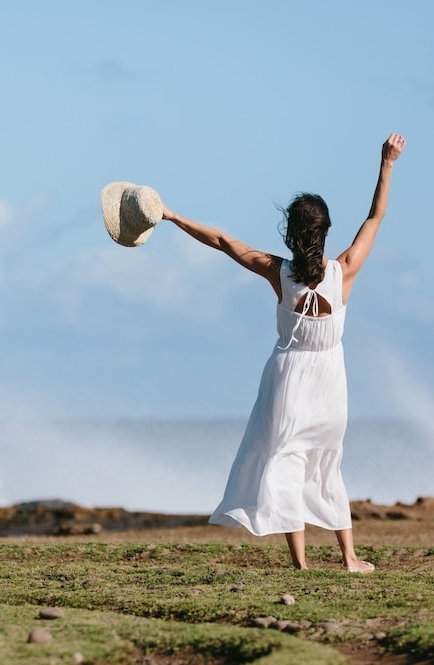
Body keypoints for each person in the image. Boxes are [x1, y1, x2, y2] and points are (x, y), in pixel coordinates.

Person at [160, 133, 406, 572]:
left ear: (291, 235)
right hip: (331, 378)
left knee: (288, 464)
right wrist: (387, 164)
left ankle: (302, 565)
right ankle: (349, 557)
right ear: (326, 232)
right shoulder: (344, 271)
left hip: (289, 375)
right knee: (327, 462)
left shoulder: (278, 271)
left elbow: (221, 241)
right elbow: (376, 217)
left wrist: (172, 215)